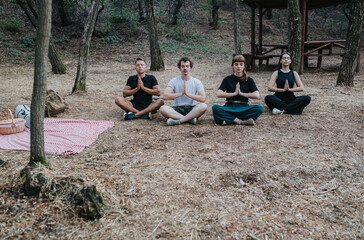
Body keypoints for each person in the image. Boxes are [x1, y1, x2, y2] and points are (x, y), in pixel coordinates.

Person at [212, 55, 263, 125]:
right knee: (215, 108)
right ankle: (240, 121)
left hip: (243, 107)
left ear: (244, 66)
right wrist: (234, 93)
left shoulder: (249, 80)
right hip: (229, 107)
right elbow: (219, 94)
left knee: (259, 108)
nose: (238, 66)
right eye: (236, 64)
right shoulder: (227, 79)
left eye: (241, 64)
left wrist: (241, 93)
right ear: (232, 66)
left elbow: (256, 95)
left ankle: (229, 119)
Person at [159, 57, 207, 126]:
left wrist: (187, 94)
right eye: (183, 66)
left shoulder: (196, 82)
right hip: (177, 109)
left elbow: (203, 99)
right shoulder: (173, 81)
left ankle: (179, 121)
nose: (185, 68)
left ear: (190, 68)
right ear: (179, 68)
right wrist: (181, 93)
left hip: (192, 108)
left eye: (187, 66)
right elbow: (165, 96)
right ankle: (189, 119)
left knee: (203, 106)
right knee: (162, 108)